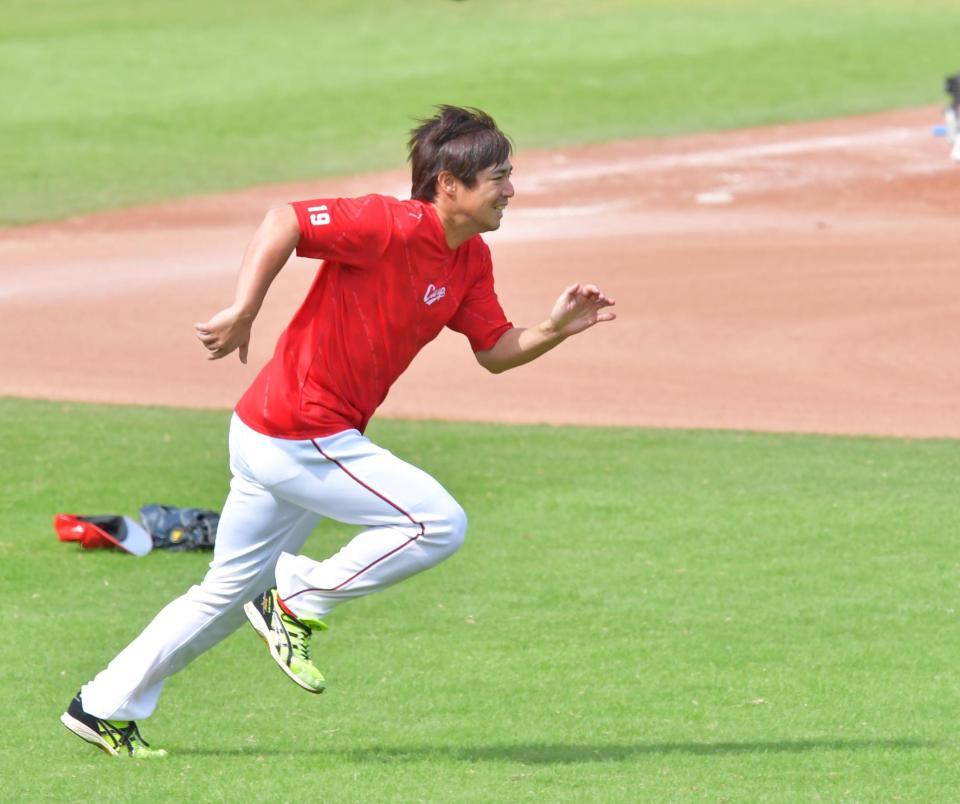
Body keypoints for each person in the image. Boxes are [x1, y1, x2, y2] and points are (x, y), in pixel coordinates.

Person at [60, 105, 616, 758]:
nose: (511, 190)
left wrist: (552, 330)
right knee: (437, 523)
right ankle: (298, 595)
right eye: (499, 177)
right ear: (449, 184)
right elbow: (286, 220)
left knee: (225, 593)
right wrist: (245, 308)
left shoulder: (470, 259)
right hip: (299, 430)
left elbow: (493, 348)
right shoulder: (389, 224)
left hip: (278, 435)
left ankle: (101, 705)